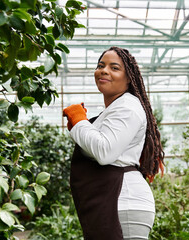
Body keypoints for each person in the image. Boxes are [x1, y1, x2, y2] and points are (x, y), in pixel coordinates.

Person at [63, 46, 164, 240]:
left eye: (114, 67)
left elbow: (105, 151)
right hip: (117, 199)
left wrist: (79, 121)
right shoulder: (118, 107)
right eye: (101, 65)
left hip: (123, 201)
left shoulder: (127, 106)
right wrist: (81, 125)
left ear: (129, 78)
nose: (104, 70)